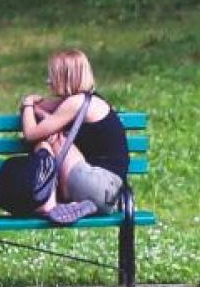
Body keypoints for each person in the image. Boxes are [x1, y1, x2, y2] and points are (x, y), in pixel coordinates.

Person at [20, 49, 128, 225]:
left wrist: (26, 104)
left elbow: (31, 134)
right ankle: (80, 205)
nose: (48, 81)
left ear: (65, 77)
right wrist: (36, 107)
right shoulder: (89, 101)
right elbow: (44, 108)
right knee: (53, 132)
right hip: (111, 194)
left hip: (94, 183)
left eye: (52, 76)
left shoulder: (74, 103)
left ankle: (48, 204)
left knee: (51, 137)